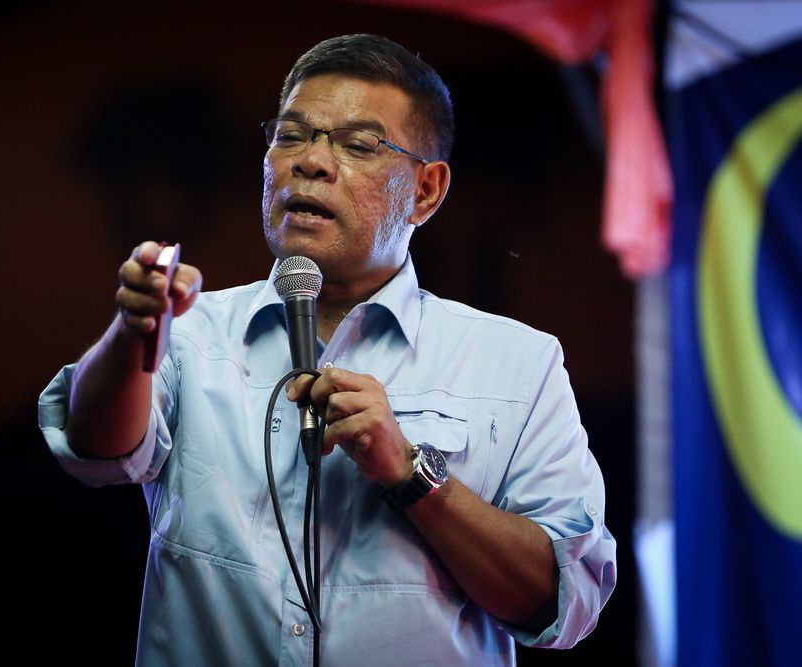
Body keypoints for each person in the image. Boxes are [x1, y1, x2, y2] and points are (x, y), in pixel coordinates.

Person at [38, 33, 617, 666]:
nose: (311, 161)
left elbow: (563, 604)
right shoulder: (191, 334)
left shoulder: (518, 364)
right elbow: (94, 455)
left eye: (359, 144)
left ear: (425, 191)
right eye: (291, 136)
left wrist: (411, 474)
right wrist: (133, 335)